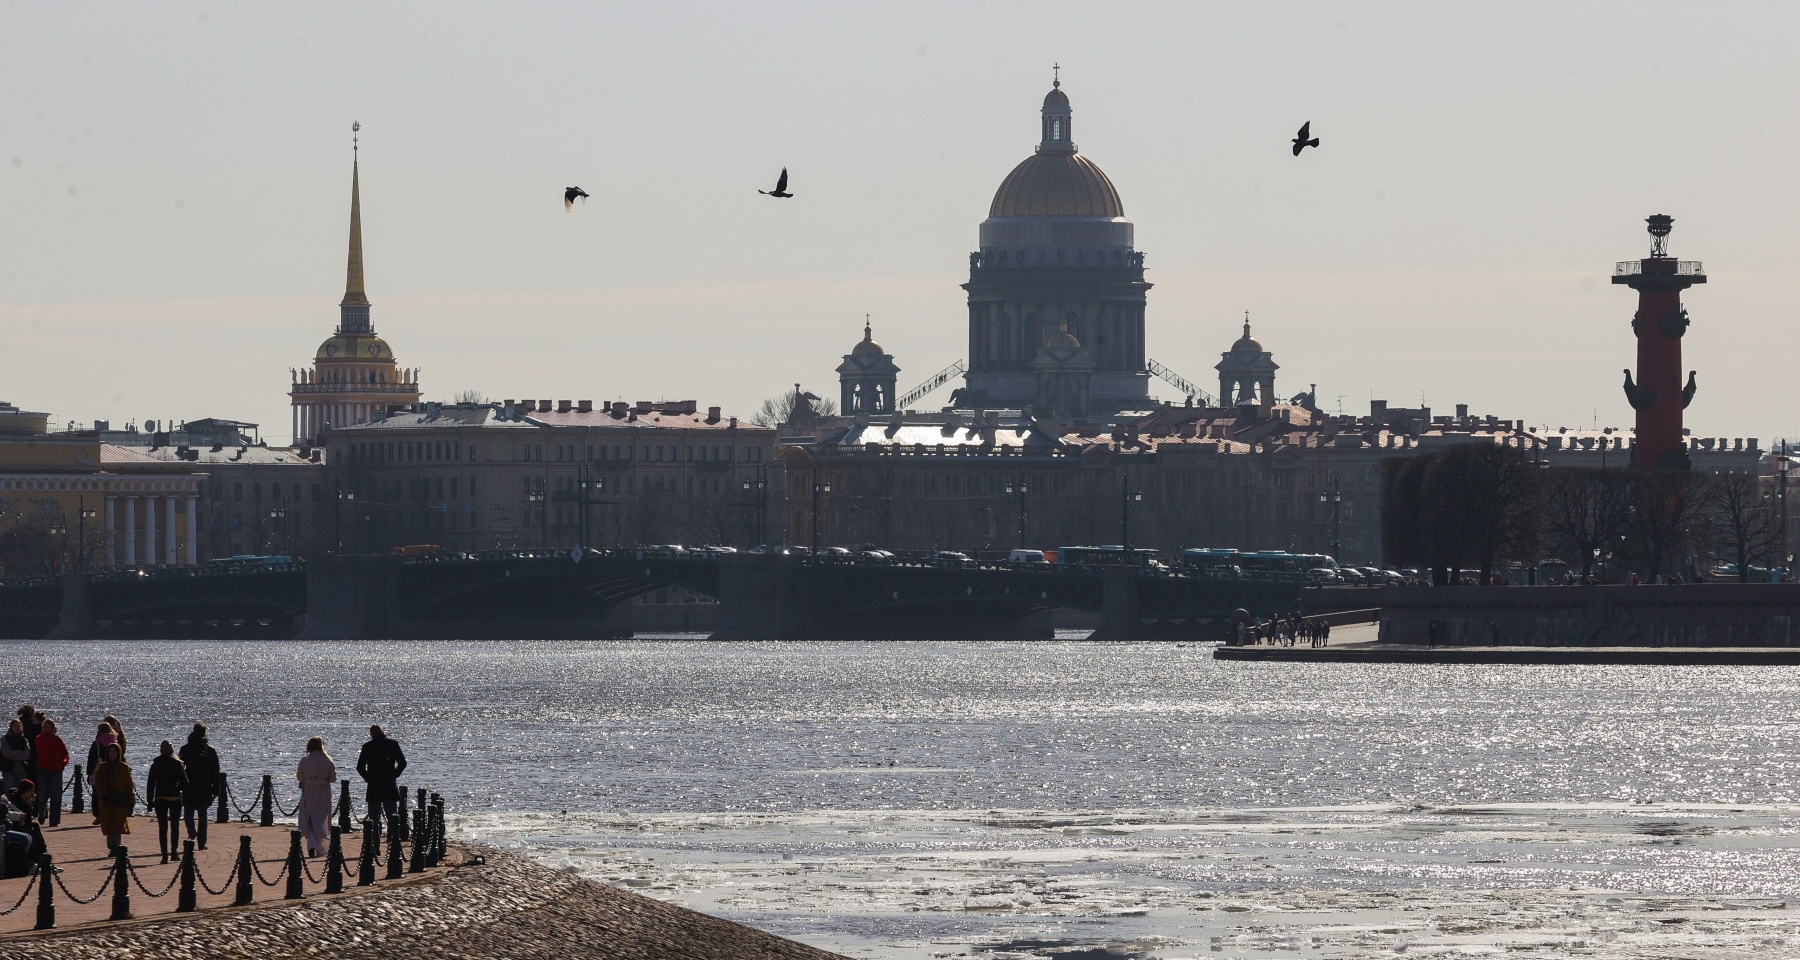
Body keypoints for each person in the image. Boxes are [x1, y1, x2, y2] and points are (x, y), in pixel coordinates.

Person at [356, 725, 408, 832]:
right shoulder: (393, 744)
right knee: (392, 819)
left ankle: (375, 846)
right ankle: (393, 844)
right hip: (389, 785)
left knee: (373, 821)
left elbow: (360, 767)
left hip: (374, 786)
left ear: (371, 734)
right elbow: (402, 763)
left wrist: (368, 778)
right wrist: (394, 775)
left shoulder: (367, 746)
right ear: (382, 732)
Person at [177, 723, 220, 850]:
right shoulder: (210, 750)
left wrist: (179, 785)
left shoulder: (185, 748)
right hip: (205, 785)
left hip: (189, 785)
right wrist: (216, 789)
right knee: (203, 815)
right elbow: (215, 771)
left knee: (188, 812)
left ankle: (191, 830)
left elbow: (180, 769)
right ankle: (202, 842)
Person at [145, 740, 187, 864]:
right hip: (175, 798)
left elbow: (150, 784)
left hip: (160, 798)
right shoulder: (177, 763)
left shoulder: (155, 764)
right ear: (172, 750)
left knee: (162, 828)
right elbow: (185, 782)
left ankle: (164, 856)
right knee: (175, 827)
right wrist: (177, 789)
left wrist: (149, 801)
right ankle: (174, 853)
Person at [296, 737, 336, 858]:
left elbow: (299, 777)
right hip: (323, 791)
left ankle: (314, 845)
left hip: (308, 790)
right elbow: (333, 778)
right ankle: (318, 845)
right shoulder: (328, 760)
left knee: (308, 817)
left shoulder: (304, 760)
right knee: (320, 818)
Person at [91, 741, 135, 850]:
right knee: (108, 823)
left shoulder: (123, 767)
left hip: (119, 799)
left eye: (114, 751)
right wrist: (104, 794)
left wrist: (131, 800)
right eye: (110, 751)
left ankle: (115, 847)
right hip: (106, 801)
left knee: (117, 823)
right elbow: (98, 783)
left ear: (118, 753)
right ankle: (112, 846)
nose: (112, 753)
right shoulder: (102, 767)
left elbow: (129, 784)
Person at [2, 779, 45, 878]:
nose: (33, 794)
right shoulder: (15, 799)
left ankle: (42, 858)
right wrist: (20, 816)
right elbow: (13, 816)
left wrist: (30, 804)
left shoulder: (9, 801)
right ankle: (28, 862)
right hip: (12, 826)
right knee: (27, 836)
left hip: (17, 824)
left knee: (35, 828)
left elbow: (27, 817)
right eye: (31, 791)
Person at [32, 718, 68, 827]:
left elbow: (65, 754)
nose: (44, 729)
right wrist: (51, 737)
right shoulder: (38, 739)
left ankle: (54, 820)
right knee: (43, 793)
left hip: (56, 769)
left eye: (47, 727)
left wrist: (62, 763)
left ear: (52, 729)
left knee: (56, 795)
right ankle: (41, 813)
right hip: (42, 769)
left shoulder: (57, 739)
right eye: (43, 727)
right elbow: (41, 748)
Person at [0, 719, 29, 793]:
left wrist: (13, 754)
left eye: (19, 726)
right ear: (11, 727)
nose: (17, 728)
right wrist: (20, 753)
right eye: (15, 726)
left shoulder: (24, 740)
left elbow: (27, 754)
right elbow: (6, 753)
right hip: (8, 768)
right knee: (10, 790)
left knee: (21, 791)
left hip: (21, 769)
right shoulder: (4, 739)